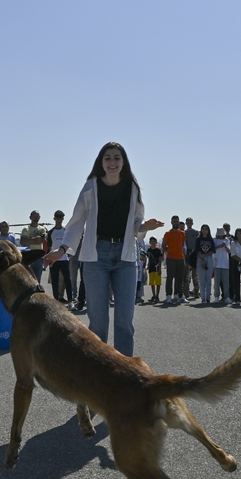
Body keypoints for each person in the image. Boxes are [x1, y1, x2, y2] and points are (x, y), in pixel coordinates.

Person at [45, 142, 162, 353]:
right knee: (98, 323)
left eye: (117, 157)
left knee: (124, 321)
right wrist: (62, 250)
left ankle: (125, 375)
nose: (112, 162)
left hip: (125, 257)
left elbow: (137, 223)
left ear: (124, 162)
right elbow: (76, 222)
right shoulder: (91, 186)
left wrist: (146, 226)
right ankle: (99, 374)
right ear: (101, 162)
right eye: (107, 158)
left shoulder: (132, 188)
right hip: (96, 257)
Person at [47, 210, 73, 303]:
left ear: (63, 219)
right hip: (54, 260)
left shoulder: (65, 231)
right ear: (54, 218)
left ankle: (70, 300)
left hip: (64, 259)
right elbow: (49, 247)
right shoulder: (51, 232)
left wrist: (69, 255)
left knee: (67, 280)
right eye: (57, 218)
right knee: (55, 281)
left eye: (61, 218)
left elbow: (69, 244)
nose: (59, 220)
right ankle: (56, 300)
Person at [162, 217, 188, 304]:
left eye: (177, 221)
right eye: (174, 222)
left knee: (180, 278)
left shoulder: (182, 233)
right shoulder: (168, 233)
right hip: (171, 258)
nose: (176, 223)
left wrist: (182, 253)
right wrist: (168, 251)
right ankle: (168, 295)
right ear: (171, 222)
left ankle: (179, 295)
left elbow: (183, 245)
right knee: (170, 277)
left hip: (180, 258)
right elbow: (164, 245)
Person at [20, 210, 48, 282]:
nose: (35, 218)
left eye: (37, 217)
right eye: (34, 217)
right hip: (29, 257)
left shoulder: (42, 229)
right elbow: (23, 242)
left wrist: (29, 241)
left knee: (38, 279)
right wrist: (35, 240)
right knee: (28, 279)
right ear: (30, 217)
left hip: (39, 257)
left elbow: (41, 241)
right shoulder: (26, 229)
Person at [195, 225, 216, 303]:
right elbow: (197, 249)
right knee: (202, 279)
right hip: (200, 258)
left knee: (208, 280)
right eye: (203, 229)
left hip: (209, 258)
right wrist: (202, 259)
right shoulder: (198, 239)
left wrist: (205, 256)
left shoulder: (211, 239)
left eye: (206, 229)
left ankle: (208, 298)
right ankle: (203, 298)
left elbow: (213, 250)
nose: (204, 231)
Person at [184, 217, 200, 299]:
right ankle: (186, 292)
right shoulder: (184, 233)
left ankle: (196, 291)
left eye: (190, 222)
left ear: (192, 223)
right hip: (187, 254)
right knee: (187, 274)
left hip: (195, 254)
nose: (189, 224)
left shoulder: (196, 232)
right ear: (186, 223)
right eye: (188, 222)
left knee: (195, 274)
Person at [146, 237, 163, 303]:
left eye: (154, 241)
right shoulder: (149, 250)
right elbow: (148, 259)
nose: (153, 243)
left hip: (157, 268)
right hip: (151, 268)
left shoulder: (158, 251)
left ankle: (157, 295)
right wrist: (147, 265)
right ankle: (153, 295)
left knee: (158, 283)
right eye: (151, 242)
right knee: (152, 283)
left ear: (156, 242)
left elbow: (160, 260)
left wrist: (160, 269)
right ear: (150, 243)